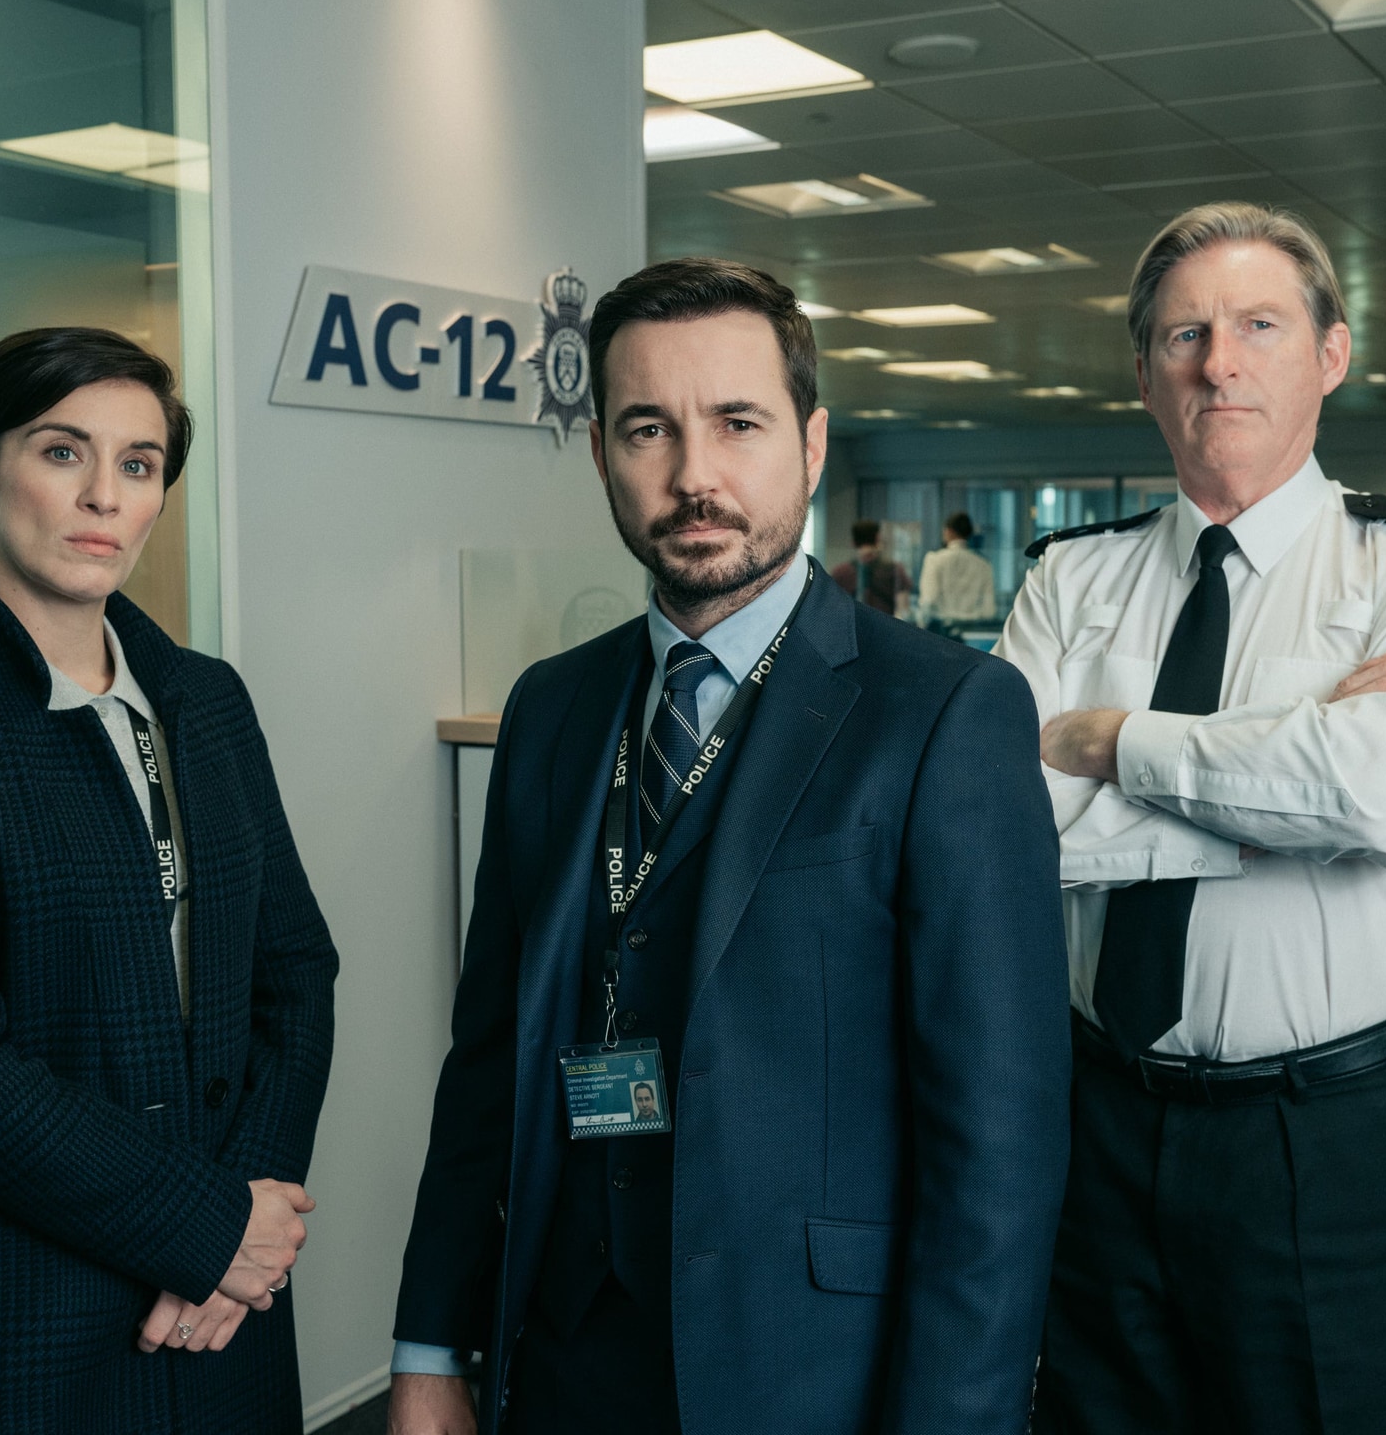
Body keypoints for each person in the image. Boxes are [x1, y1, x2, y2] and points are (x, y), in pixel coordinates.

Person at [387, 257, 1070, 1435]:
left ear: (809, 445)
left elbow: (997, 1149)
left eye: (737, 423)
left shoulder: (944, 713)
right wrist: (431, 1344)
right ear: (600, 451)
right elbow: (488, 1062)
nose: (694, 476)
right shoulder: (552, 708)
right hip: (566, 1359)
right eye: (649, 428)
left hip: (810, 1370)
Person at [995, 203, 1386, 1435]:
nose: (1216, 362)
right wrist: (1289, 781)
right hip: (1097, 1119)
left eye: (1257, 326)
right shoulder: (1072, 576)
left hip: (1328, 1137)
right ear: (1144, 374)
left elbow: (1378, 791)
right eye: (1182, 334)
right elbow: (1006, 834)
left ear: (1331, 354)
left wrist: (1111, 740)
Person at [0, 328, 339, 1434]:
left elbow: (294, 972)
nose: (103, 495)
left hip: (219, 1307)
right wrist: (206, 1229)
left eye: (137, 466)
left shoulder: (208, 700)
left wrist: (253, 1218)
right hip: (7, 1308)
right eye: (61, 453)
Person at [917, 511, 998, 628]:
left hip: (942, 631)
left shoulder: (934, 560)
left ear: (948, 531)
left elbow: (929, 599)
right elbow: (989, 610)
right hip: (973, 631)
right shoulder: (984, 565)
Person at [829, 518, 911, 618]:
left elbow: (832, 607)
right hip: (884, 629)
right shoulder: (894, 569)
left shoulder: (840, 572)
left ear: (853, 542)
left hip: (851, 629)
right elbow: (902, 609)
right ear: (878, 539)